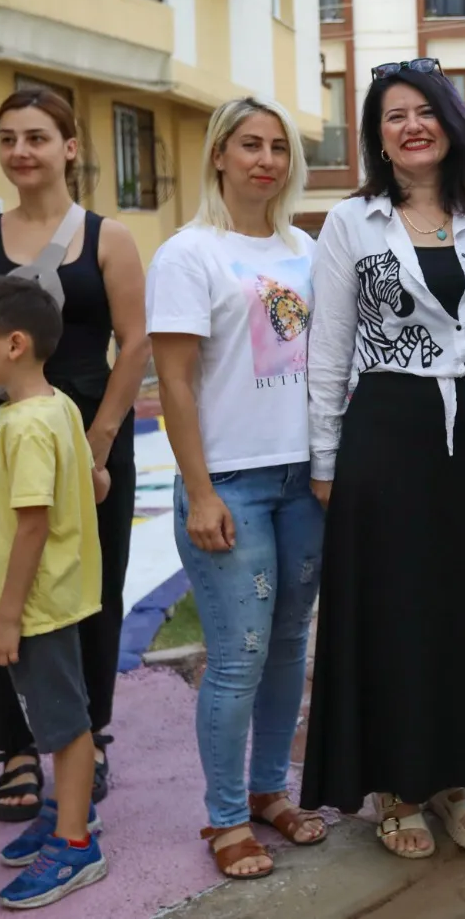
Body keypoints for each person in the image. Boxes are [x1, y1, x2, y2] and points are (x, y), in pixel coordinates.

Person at [300, 60, 465, 859]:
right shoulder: (353, 222)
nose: (411, 126)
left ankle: (463, 775)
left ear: (450, 122)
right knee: (395, 613)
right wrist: (324, 457)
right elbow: (329, 351)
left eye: (424, 112)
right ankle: (398, 786)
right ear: (378, 136)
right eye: (392, 117)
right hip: (388, 432)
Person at [0, 88, 148, 819]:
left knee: (90, 588)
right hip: (1, 441)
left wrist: (99, 441)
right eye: (8, 138)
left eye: (36, 136)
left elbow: (136, 344)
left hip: (91, 437)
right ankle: (17, 748)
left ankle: (85, 737)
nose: (21, 151)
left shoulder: (109, 239)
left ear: (69, 147)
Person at [148, 97, 328, 881]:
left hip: (304, 480)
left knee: (290, 644)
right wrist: (200, 491)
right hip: (231, 485)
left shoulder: (307, 249)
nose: (265, 159)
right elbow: (176, 384)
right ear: (218, 154)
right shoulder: (188, 255)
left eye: (278, 148)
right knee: (237, 656)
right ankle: (223, 818)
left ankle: (267, 792)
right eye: (249, 145)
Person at [0, 276, 110, 908]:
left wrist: (7, 617)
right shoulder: (57, 406)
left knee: (65, 725)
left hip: (37, 607)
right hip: (50, 598)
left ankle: (75, 846)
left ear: (14, 344)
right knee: (55, 717)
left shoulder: (23, 426)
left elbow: (33, 523)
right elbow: (95, 485)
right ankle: (66, 812)